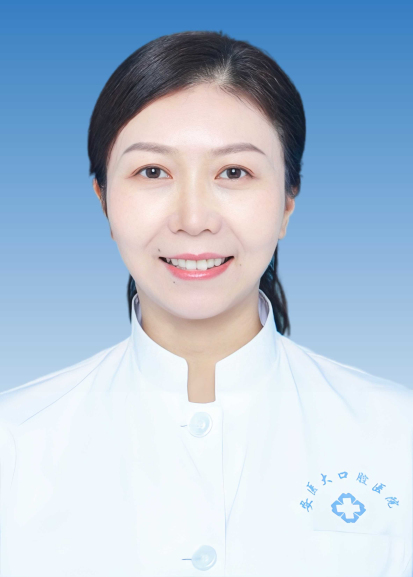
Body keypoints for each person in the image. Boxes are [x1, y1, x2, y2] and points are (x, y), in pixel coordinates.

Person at [0, 30, 411, 577]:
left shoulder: (397, 434)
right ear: (103, 201)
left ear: (288, 201)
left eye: (234, 173)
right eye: (152, 172)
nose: (193, 219)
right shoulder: (14, 442)